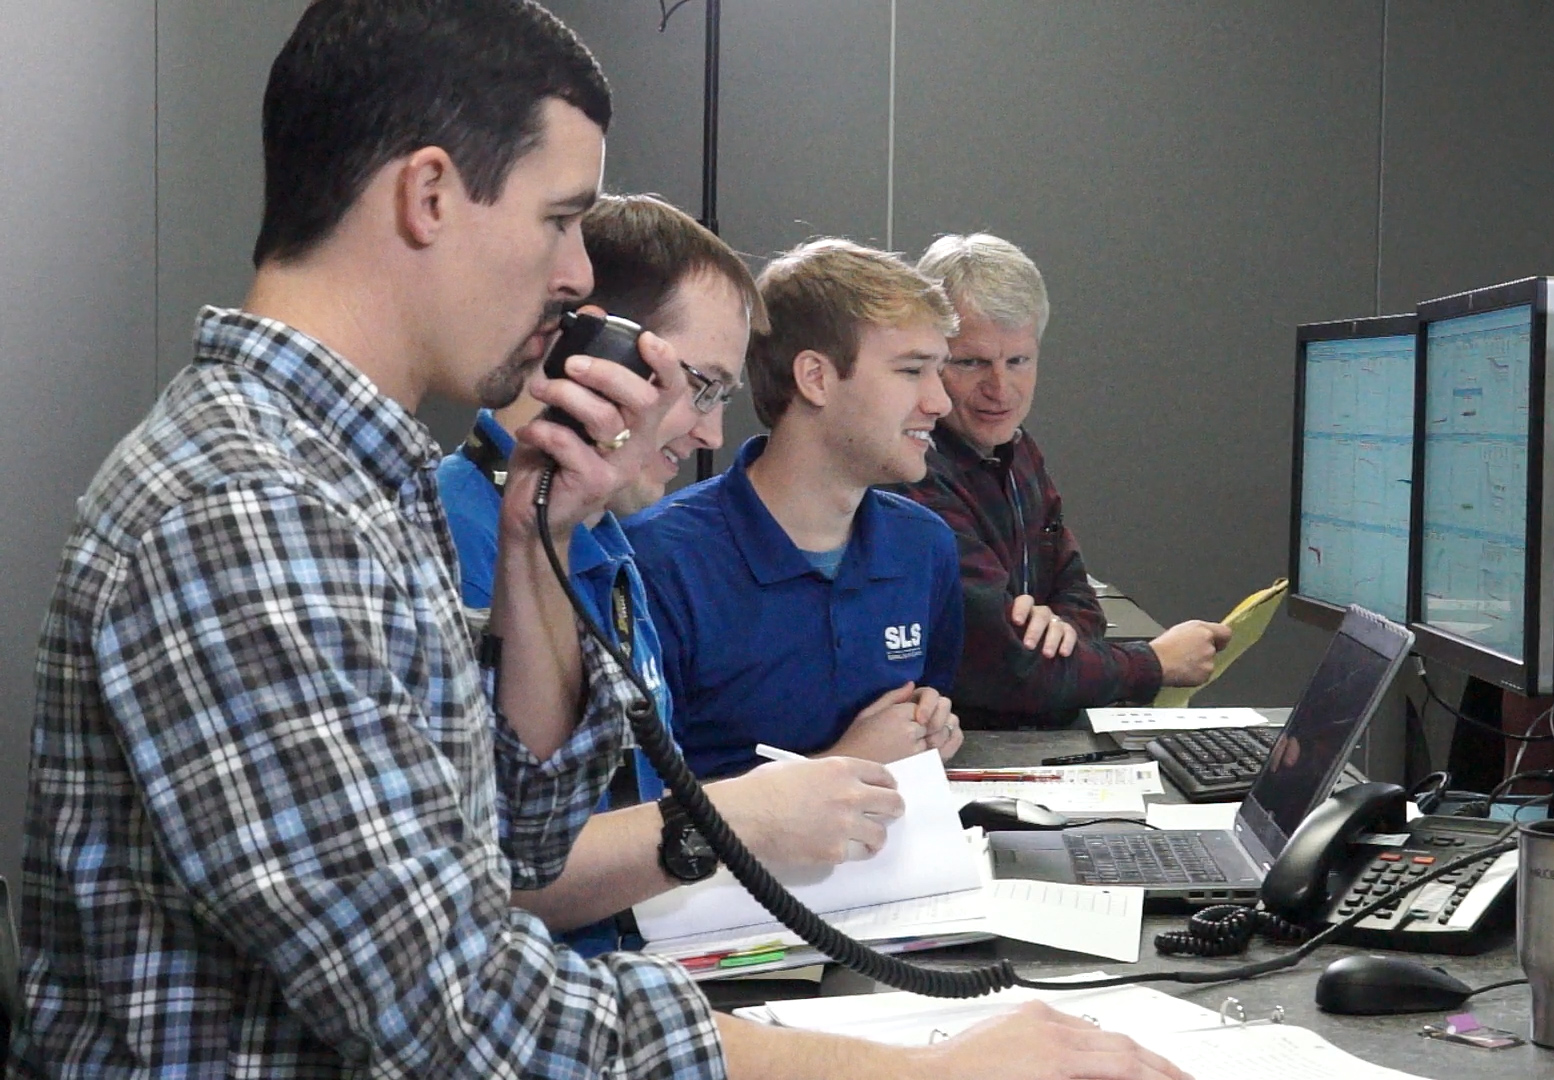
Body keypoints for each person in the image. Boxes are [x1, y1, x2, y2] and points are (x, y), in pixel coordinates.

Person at [7, 4, 1185, 1078]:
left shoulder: (370, 485)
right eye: (560, 220)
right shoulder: (250, 509)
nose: (576, 276)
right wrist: (934, 1073)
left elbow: (514, 855)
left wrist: (540, 552)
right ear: (428, 195)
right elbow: (461, 1011)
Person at [437, 193, 906, 955]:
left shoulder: (610, 546)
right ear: (595, 352)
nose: (713, 431)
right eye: (703, 386)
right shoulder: (452, 545)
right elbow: (492, 882)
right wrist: (737, 819)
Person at [628, 240, 968, 779]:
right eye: (912, 371)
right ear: (816, 378)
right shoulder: (658, 562)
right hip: (727, 864)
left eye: (939, 372)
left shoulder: (924, 547)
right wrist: (841, 767)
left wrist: (930, 725)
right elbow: (630, 814)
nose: (940, 402)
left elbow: (925, 717)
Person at [897, 233, 1231, 729]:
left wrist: (1059, 635)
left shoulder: (1018, 449)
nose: (1000, 389)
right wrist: (1155, 663)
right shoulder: (911, 474)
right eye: (971, 362)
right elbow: (1011, 668)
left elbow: (1077, 594)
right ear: (930, 358)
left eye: (1018, 361)